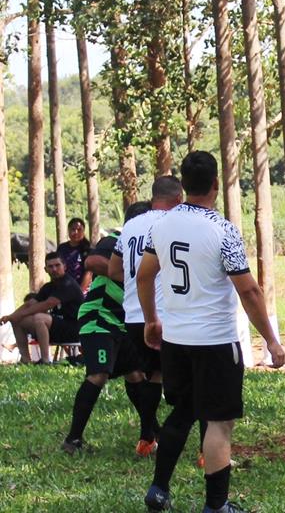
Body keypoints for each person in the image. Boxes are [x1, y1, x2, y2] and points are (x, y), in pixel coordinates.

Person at [138, 151, 285, 513]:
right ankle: (217, 506)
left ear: (183, 185)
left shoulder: (161, 224)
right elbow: (248, 290)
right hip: (215, 341)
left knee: (181, 412)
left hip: (175, 339)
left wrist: (150, 319)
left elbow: (144, 274)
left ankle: (158, 490)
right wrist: (271, 339)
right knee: (219, 421)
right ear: (216, 185)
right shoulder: (223, 230)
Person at [62, 201, 160, 456]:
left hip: (122, 323)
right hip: (99, 319)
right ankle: (73, 440)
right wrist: (133, 277)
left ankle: (150, 435)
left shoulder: (150, 245)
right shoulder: (118, 238)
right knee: (98, 375)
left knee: (136, 374)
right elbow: (93, 261)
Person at [109, 176, 185, 462]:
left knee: (154, 375)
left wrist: (135, 283)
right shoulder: (172, 224)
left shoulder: (131, 225)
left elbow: (114, 269)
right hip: (165, 315)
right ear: (179, 198)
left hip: (133, 315)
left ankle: (146, 437)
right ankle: (204, 449)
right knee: (188, 381)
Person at [3, 252, 83, 363]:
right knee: (17, 320)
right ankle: (25, 360)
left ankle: (45, 360)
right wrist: (11, 316)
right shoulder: (47, 287)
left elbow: (48, 304)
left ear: (64, 266)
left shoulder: (68, 284)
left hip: (74, 328)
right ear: (45, 269)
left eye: (57, 265)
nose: (54, 269)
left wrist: (21, 314)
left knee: (40, 317)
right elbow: (30, 303)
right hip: (56, 328)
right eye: (50, 266)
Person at [57, 217, 92, 293]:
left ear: (83, 231)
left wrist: (80, 292)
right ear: (68, 231)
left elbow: (88, 273)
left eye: (79, 230)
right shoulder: (62, 248)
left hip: (82, 290)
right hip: (63, 288)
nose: (76, 232)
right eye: (73, 229)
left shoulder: (87, 250)